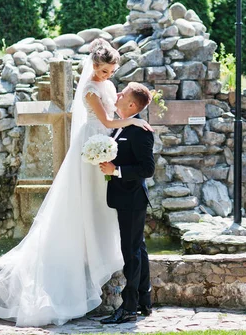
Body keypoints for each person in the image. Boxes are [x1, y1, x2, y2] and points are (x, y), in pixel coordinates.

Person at [0, 38, 153, 327]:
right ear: (94, 66)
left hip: (109, 156)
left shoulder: (109, 88)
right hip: (92, 148)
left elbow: (117, 122)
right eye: (105, 71)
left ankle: (134, 293)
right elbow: (109, 123)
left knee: (123, 228)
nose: (110, 78)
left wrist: (126, 131)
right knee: (87, 207)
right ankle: (89, 257)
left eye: (111, 72)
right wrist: (133, 121)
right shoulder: (90, 90)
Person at [99, 82, 155, 324]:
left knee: (130, 253)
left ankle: (129, 308)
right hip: (123, 197)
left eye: (123, 93)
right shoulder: (122, 127)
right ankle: (144, 301)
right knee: (138, 248)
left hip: (133, 198)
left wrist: (116, 170)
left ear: (132, 104)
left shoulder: (141, 130)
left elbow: (147, 169)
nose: (118, 94)